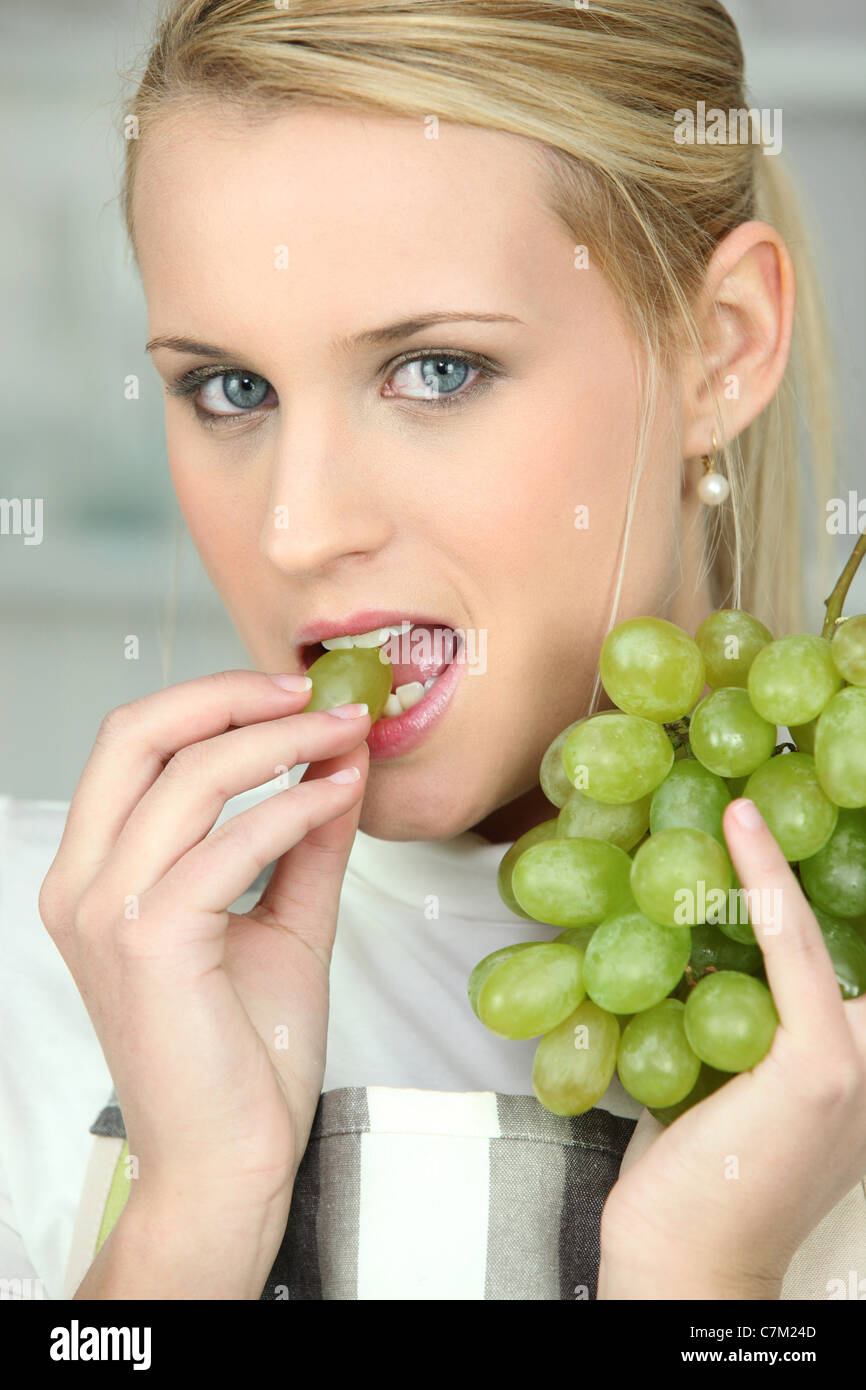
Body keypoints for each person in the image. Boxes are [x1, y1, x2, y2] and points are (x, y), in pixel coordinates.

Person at [2, 0, 864, 1301]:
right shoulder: (36, 970)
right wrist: (189, 1220)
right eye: (228, 389)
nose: (297, 528)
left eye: (436, 372)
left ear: (719, 346)